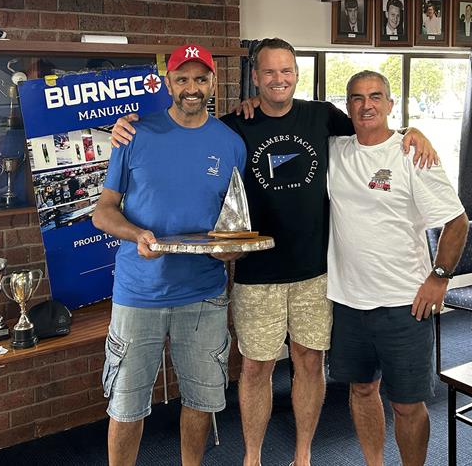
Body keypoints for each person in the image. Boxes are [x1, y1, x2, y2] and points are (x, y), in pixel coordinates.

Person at [110, 38, 437, 466]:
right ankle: (253, 457)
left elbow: (372, 129)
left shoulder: (323, 117)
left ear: (296, 74)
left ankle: (302, 455)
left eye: (286, 71)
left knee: (309, 363)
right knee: (254, 368)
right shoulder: (234, 127)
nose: (278, 79)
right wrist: (125, 125)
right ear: (255, 77)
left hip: (315, 272)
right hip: (256, 272)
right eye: (269, 72)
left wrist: (413, 130)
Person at [93, 43, 246, 466]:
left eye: (200, 79)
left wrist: (228, 251)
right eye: (182, 79)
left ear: (213, 82)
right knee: (125, 406)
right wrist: (136, 232)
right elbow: (103, 212)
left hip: (203, 294)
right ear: (168, 83)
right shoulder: (135, 134)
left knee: (199, 400)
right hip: (138, 293)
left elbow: (233, 221)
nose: (191, 88)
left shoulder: (231, 144)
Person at [327, 70, 468, 466]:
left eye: (375, 97)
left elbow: (456, 221)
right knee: (362, 391)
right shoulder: (335, 150)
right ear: (348, 106)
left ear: (391, 104)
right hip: (349, 303)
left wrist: (439, 279)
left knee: (407, 405)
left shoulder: (412, 154)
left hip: (405, 305)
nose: (366, 105)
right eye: (357, 98)